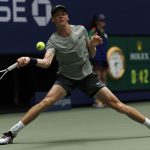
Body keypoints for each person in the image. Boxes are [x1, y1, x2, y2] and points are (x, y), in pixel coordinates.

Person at [0, 5, 150, 145]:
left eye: (63, 14)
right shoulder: (53, 41)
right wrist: (29, 59)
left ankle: (148, 124)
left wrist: (92, 45)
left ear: (67, 17)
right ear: (53, 20)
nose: (61, 16)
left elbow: (91, 54)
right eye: (57, 15)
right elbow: (46, 62)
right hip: (66, 78)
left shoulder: (81, 30)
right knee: (45, 102)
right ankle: (11, 134)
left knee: (117, 105)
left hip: (87, 76)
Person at [89, 14, 108, 108]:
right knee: (98, 79)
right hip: (96, 58)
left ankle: (105, 100)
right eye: (101, 20)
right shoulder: (93, 31)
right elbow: (89, 42)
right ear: (96, 21)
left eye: (104, 20)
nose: (103, 22)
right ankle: (97, 101)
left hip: (104, 58)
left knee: (104, 78)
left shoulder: (104, 32)